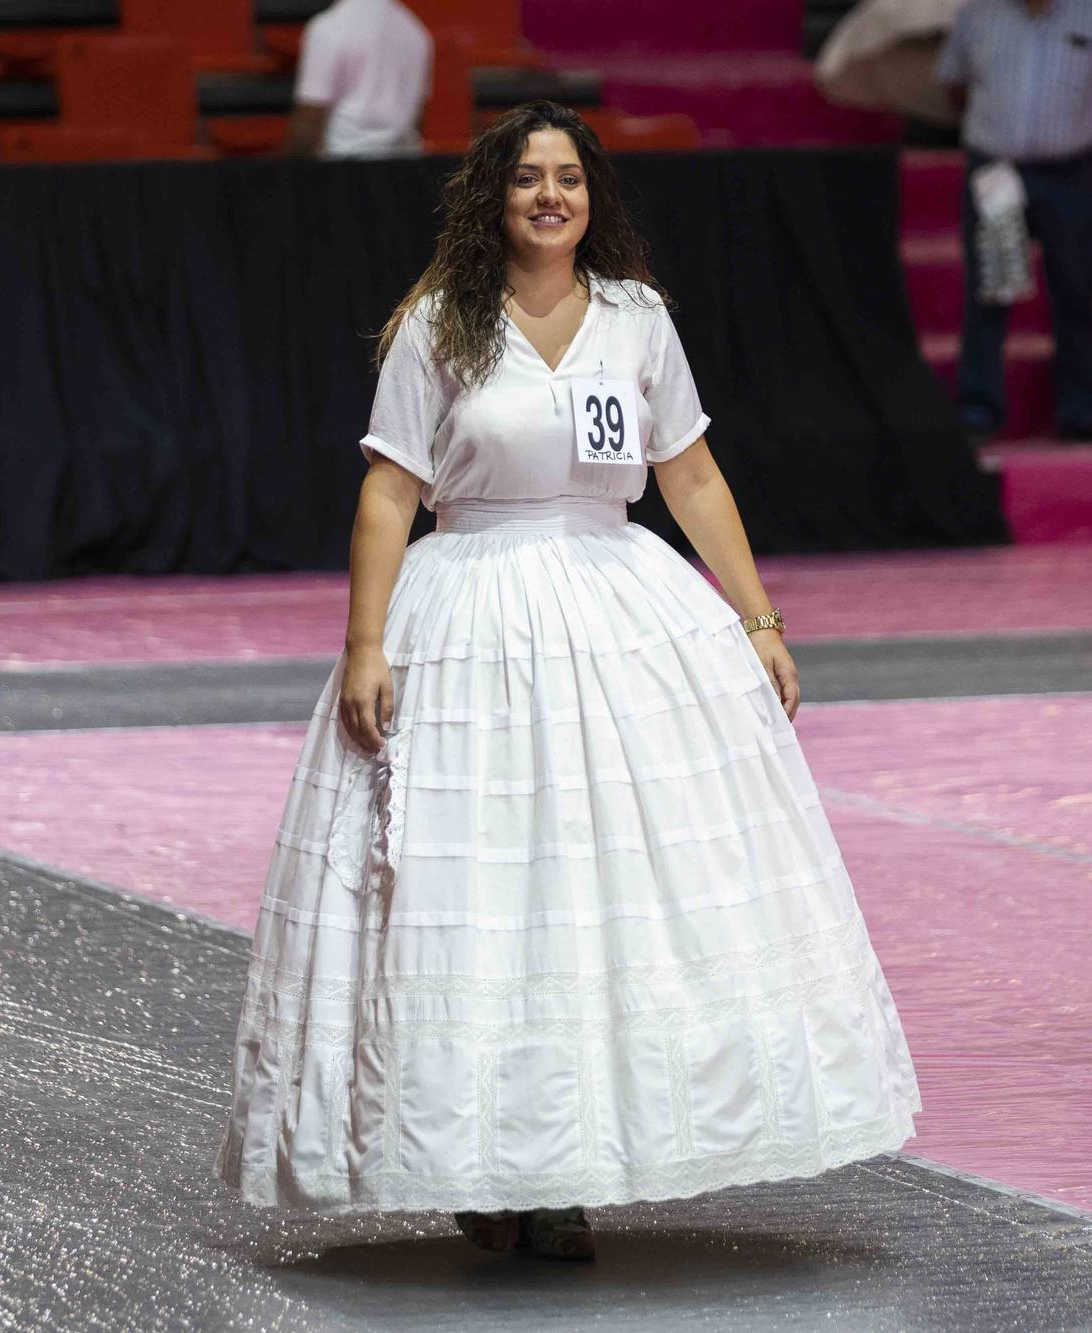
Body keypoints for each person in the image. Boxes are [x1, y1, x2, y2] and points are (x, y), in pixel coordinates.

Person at [216, 102, 921, 1259]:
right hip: (472, 619)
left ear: (593, 199)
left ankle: (559, 1167)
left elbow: (688, 476)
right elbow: (388, 495)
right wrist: (364, 642)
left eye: (570, 179)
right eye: (528, 178)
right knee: (480, 901)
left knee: (594, 897)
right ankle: (486, 1169)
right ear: (490, 196)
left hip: (615, 613)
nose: (551, 196)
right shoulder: (438, 325)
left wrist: (757, 619)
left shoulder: (637, 321)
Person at [936, 0, 1092, 444]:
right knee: (992, 289)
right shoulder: (979, 13)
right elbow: (953, 84)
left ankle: (1081, 413)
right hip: (997, 172)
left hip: (1072, 173)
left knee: (1075, 290)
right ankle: (978, 411)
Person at [285, 0, 433, 159]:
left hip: (344, 165)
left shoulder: (329, 27)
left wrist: (290, 174)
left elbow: (310, 118)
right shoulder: (415, 31)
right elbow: (419, 114)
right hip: (403, 165)